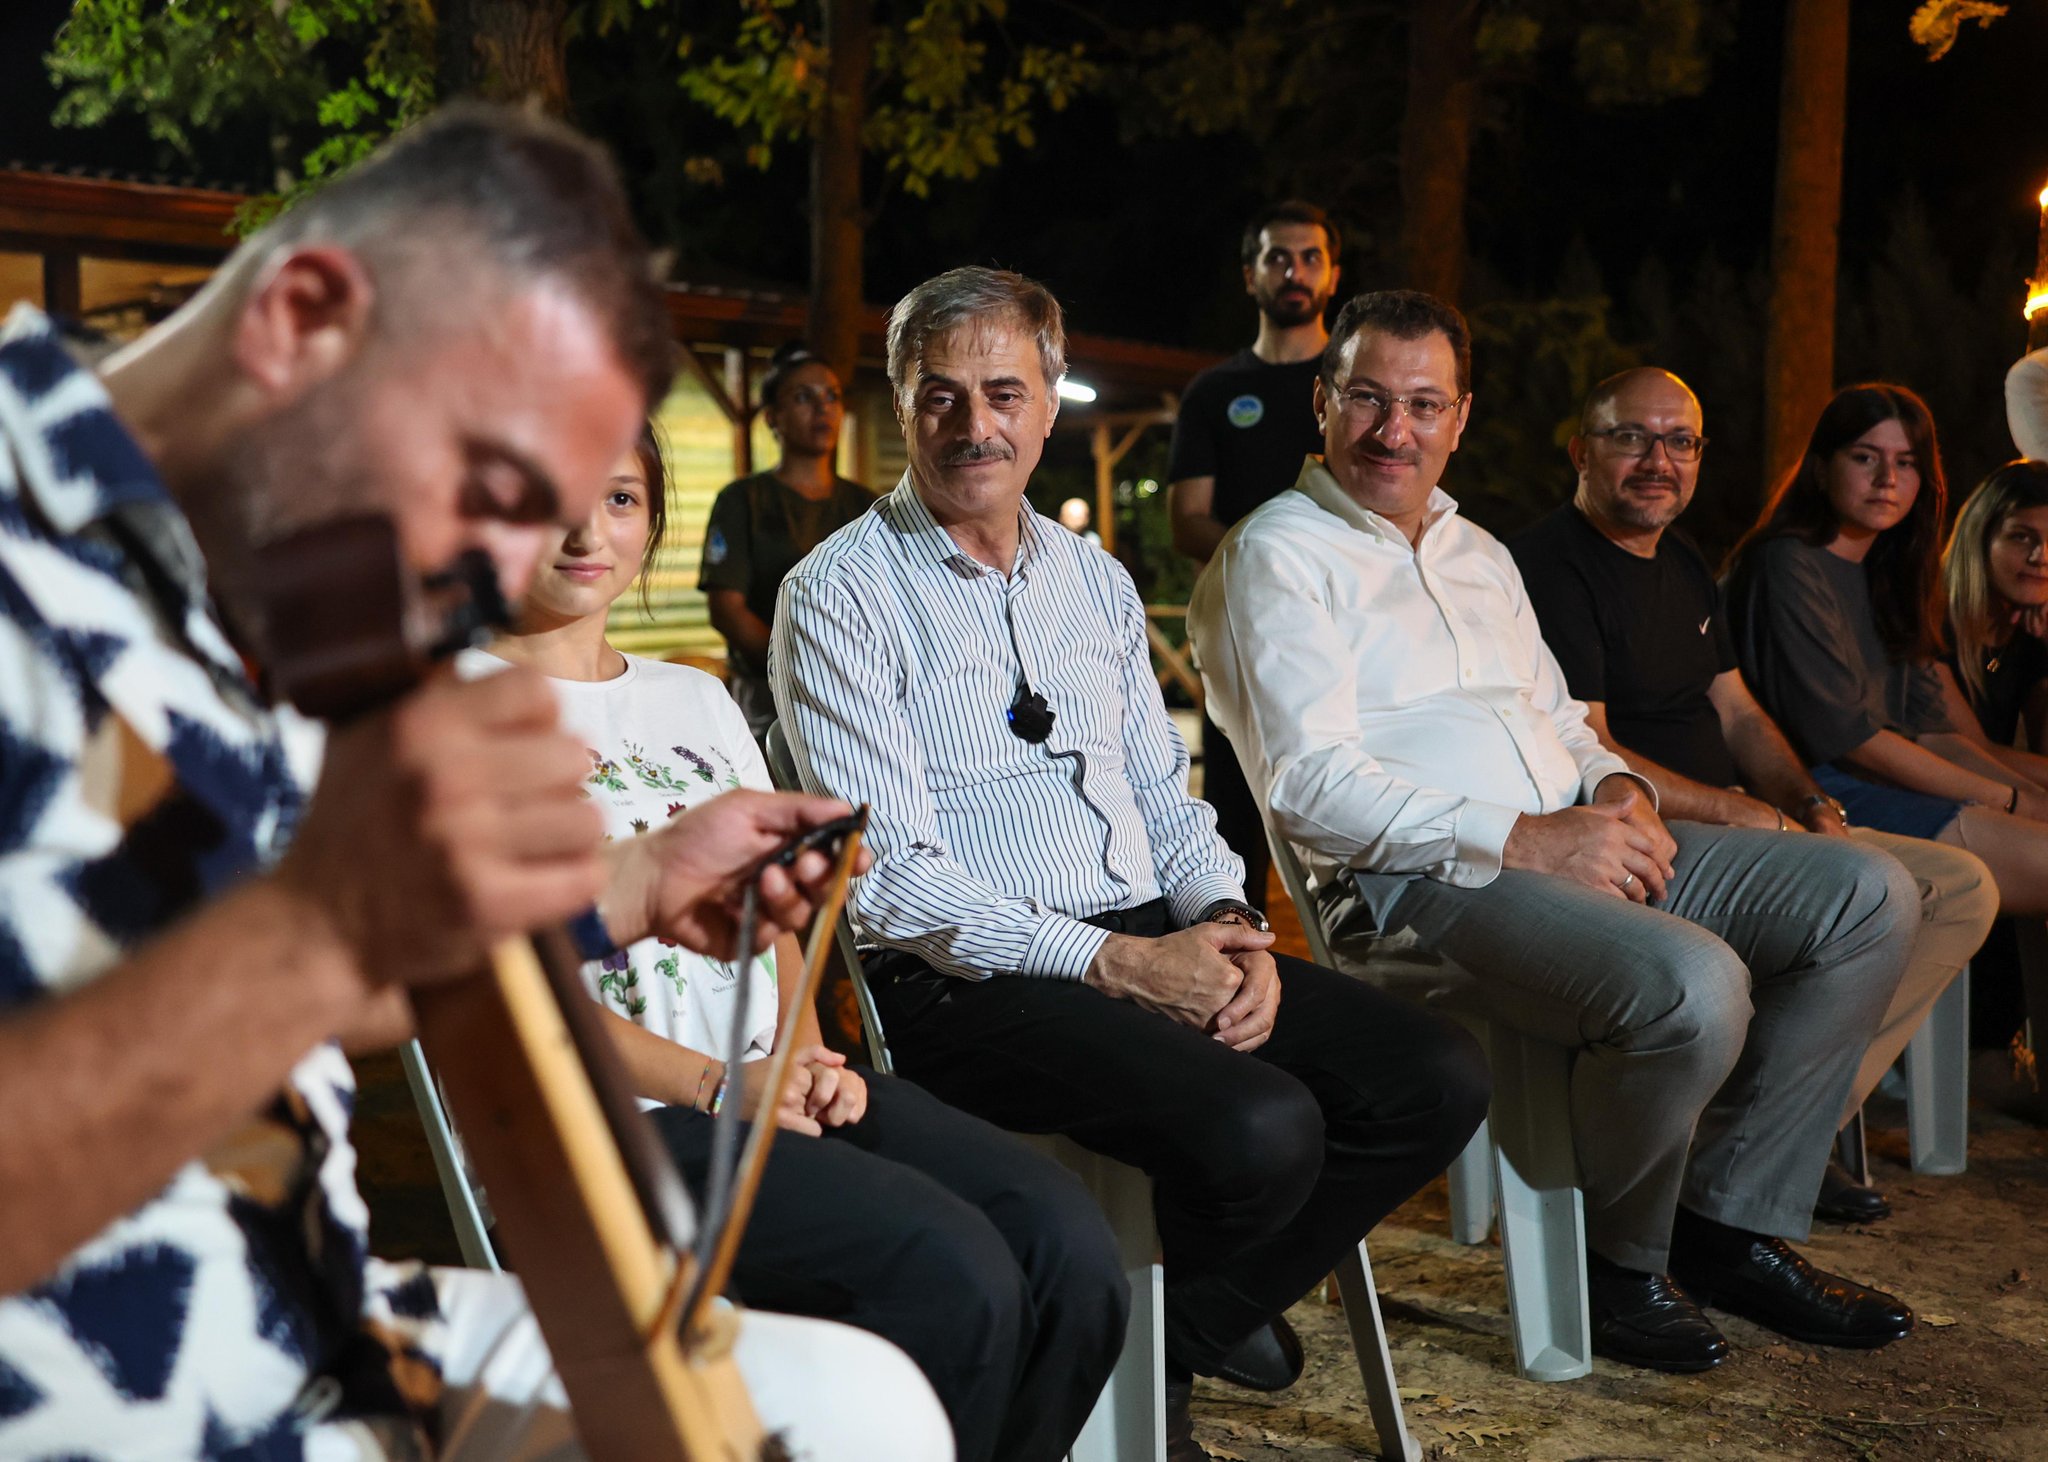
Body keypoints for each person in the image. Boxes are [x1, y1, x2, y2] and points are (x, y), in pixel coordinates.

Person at [0, 106, 950, 1461]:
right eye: (491, 484)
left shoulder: (243, 578)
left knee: (870, 1408)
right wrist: (314, 926)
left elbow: (290, 996)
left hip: (316, 1304)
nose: (496, 570)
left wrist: (618, 888)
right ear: (306, 316)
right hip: (110, 1380)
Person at [773, 266, 1490, 1462]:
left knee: (1429, 1073)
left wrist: (1226, 923)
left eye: (1004, 391)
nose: (973, 425)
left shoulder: (1090, 580)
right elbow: (890, 881)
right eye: (938, 395)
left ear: (1051, 405)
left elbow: (1165, 790)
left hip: (1153, 925)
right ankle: (1147, 1368)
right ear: (895, 405)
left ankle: (1178, 1328)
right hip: (966, 975)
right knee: (1262, 1131)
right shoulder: (838, 593)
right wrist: (1119, 962)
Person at [1191, 289, 1924, 1378]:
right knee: (1693, 986)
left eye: (1424, 404)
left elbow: (1553, 718)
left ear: (1460, 415)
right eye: (1368, 399)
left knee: (1869, 894)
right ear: (1321, 401)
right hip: (1412, 879)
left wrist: (1617, 785)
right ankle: (1616, 1260)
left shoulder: (1475, 549)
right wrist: (1526, 837)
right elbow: (1307, 788)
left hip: (1565, 836)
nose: (1395, 430)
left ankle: (1719, 1224)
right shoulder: (1277, 555)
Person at [471, 421, 1125, 1462]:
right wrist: (718, 1083)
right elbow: (497, 994)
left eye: (622, 498)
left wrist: (807, 1050)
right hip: (593, 1128)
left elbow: (769, 908)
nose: (586, 530)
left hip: (765, 1086)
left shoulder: (692, 698)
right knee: (954, 1273)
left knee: (1067, 1250)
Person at [1508, 368, 1996, 1225]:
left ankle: (1775, 1133)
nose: (1658, 460)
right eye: (1632, 438)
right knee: (1870, 895)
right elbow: (1590, 746)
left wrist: (1804, 803)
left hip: (1741, 813)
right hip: (1644, 830)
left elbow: (1736, 709)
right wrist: (1749, 814)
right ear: (1582, 451)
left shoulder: (1685, 560)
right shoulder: (1551, 567)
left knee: (1958, 888)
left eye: (1679, 442)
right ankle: (1750, 1152)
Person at [1726, 386, 2048, 919]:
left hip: (1891, 780)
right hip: (1818, 790)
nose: (1887, 480)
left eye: (1906, 462)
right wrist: (2009, 801)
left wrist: (2020, 794)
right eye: (1864, 458)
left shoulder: (1892, 576)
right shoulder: (1787, 565)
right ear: (1821, 466)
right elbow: (1853, 742)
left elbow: (1935, 732)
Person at [1167, 200, 1342, 912]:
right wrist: (1273, 565)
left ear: (1332, 273)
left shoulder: (1358, 388)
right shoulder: (1216, 393)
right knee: (1236, 823)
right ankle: (1239, 978)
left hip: (1344, 627)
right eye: (1277, 256)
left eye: (1309, 257)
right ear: (1251, 275)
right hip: (1243, 638)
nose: (1293, 271)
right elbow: (1187, 521)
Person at [701, 341, 876, 738]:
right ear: (773, 417)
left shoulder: (865, 506)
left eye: (831, 396)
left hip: (856, 691)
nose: (823, 408)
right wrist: (798, 665)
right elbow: (726, 609)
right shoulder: (744, 500)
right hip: (767, 696)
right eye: (803, 397)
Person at [1942, 460, 2048, 756]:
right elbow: (1972, 757)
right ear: (1980, 539)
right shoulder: (1929, 623)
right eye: (2021, 537)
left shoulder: (2030, 634)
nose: (2041, 557)